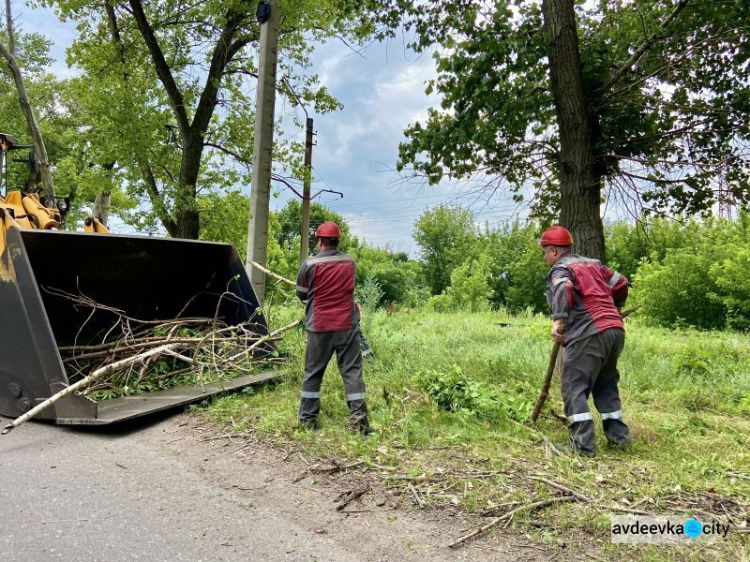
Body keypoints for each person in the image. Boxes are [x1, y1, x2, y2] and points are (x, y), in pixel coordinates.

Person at [540, 225, 631, 455]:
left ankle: (582, 445)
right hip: (615, 331)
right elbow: (620, 282)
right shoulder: (594, 264)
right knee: (605, 384)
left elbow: (563, 287)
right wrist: (615, 308)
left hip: (588, 333)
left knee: (573, 386)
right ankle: (619, 439)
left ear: (553, 251)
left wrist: (558, 320)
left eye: (544, 252)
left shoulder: (560, 268)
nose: (544, 258)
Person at [295, 221, 373, 434]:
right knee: (352, 372)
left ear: (319, 240)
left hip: (319, 327)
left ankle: (307, 421)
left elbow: (301, 294)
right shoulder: (350, 262)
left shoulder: (309, 265)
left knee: (313, 373)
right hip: (346, 326)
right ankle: (359, 422)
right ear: (337, 240)